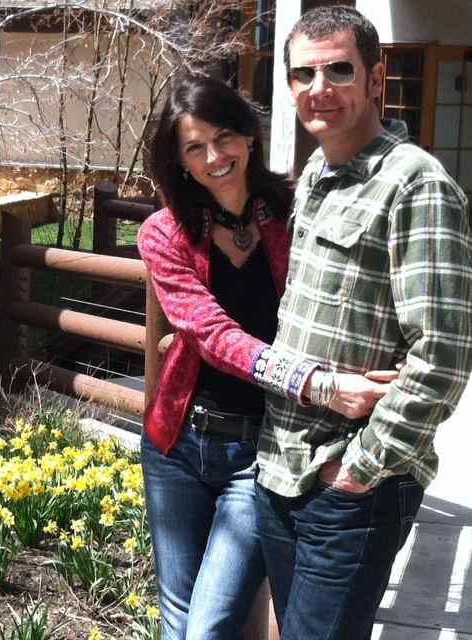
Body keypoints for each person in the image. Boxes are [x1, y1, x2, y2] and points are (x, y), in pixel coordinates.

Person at [137, 75, 394, 640]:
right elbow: (210, 333)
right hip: (177, 445)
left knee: (209, 625)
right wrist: (316, 383)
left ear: (249, 135)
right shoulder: (164, 233)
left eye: (223, 137)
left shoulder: (295, 213)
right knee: (178, 619)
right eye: (195, 148)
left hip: (263, 449)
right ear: (180, 163)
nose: (214, 157)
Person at [254, 6, 472, 640]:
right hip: (282, 468)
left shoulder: (417, 185)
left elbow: (443, 356)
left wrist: (358, 468)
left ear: (376, 79)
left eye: (338, 71)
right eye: (303, 74)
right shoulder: (314, 177)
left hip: (350, 486)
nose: (318, 88)